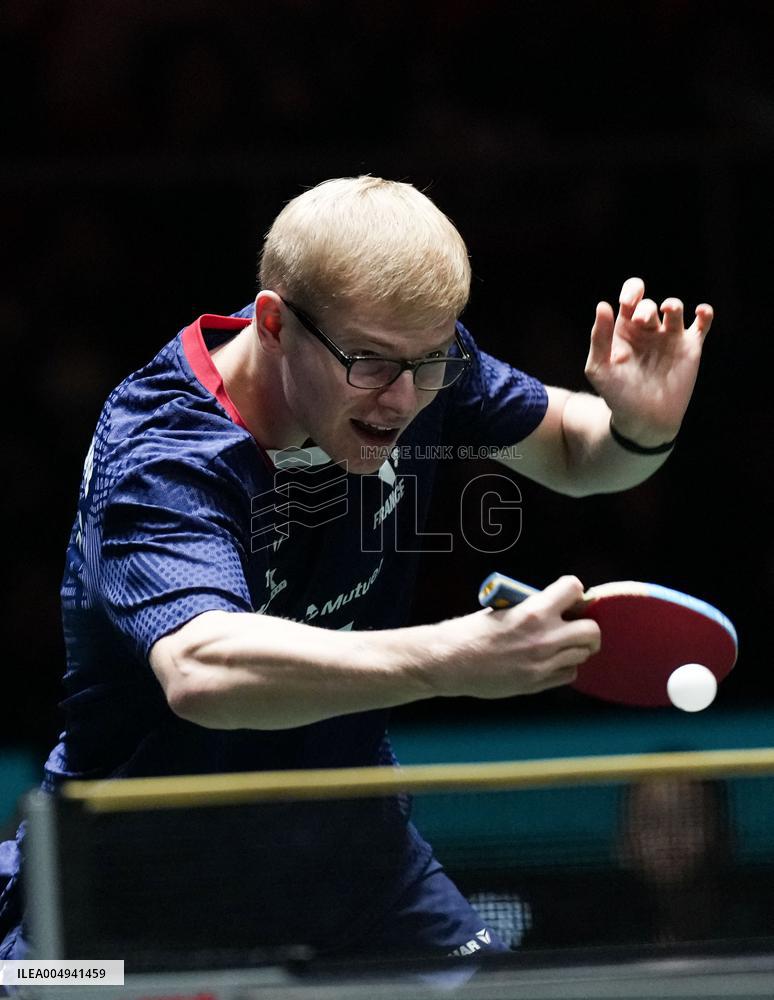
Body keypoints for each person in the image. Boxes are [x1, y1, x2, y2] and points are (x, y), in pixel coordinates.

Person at [0, 176, 713, 964]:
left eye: (431, 359)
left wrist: (639, 429)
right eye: (371, 363)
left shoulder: (408, 361)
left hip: (355, 867)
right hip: (135, 894)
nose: (404, 399)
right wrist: (451, 659)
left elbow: (578, 449)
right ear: (274, 323)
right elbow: (201, 668)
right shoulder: (166, 453)